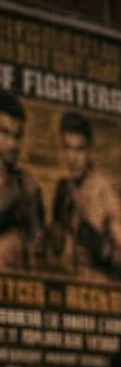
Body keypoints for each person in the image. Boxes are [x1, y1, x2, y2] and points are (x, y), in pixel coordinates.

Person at [44, 112, 121, 283]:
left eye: (79, 149)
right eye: (68, 148)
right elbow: (55, 250)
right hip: (66, 282)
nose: (73, 158)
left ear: (90, 151)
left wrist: (100, 246)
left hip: (96, 285)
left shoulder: (105, 194)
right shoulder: (63, 189)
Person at [0, 96, 39, 270]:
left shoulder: (27, 186)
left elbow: (35, 248)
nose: (12, 144)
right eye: (4, 133)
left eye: (17, 137)